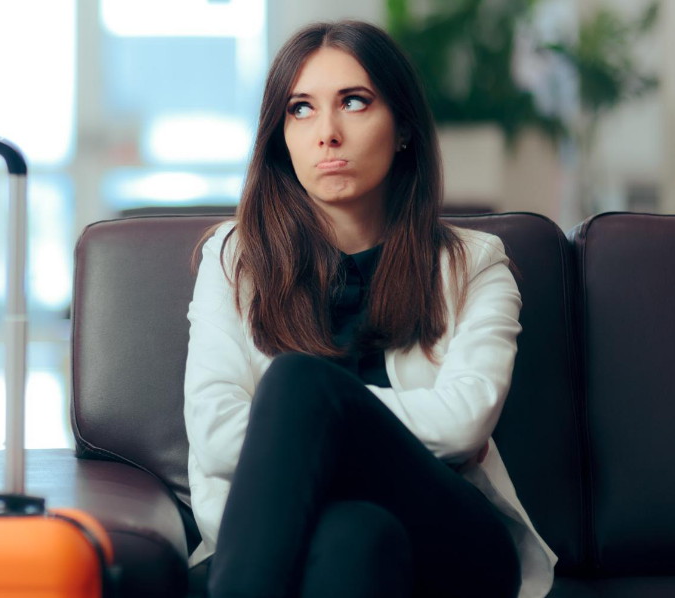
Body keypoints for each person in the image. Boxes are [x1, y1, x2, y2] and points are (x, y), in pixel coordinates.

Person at [183, 20, 557, 598]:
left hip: (454, 541)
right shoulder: (235, 259)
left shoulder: (475, 264)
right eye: (300, 109)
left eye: (354, 102)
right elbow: (212, 434)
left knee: (299, 386)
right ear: (279, 134)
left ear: (403, 126)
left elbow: (464, 422)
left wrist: (307, 426)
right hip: (304, 538)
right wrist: (355, 427)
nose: (326, 133)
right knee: (355, 534)